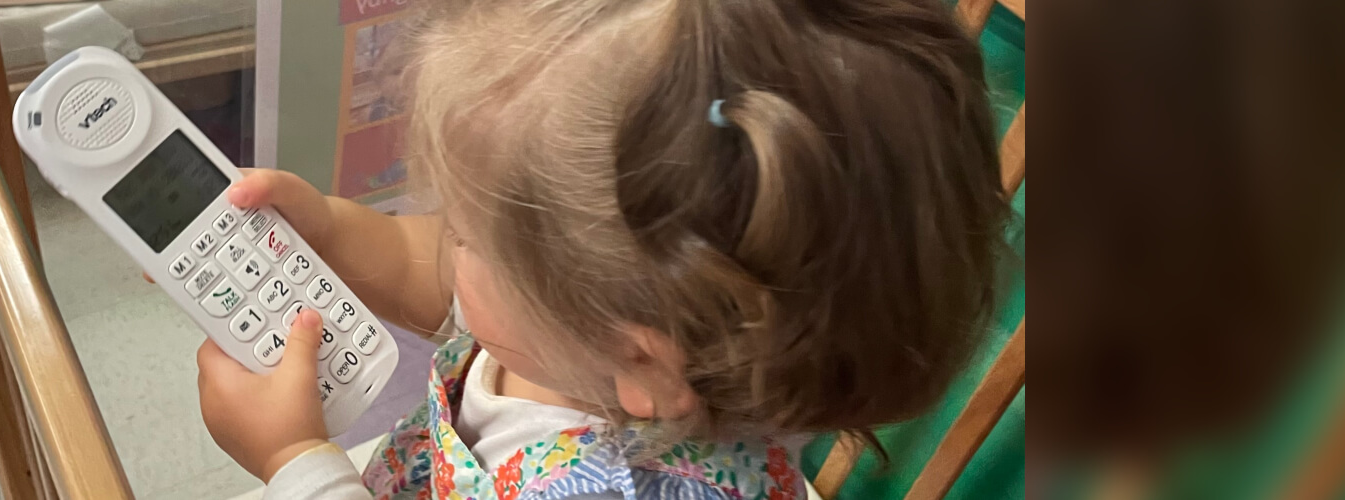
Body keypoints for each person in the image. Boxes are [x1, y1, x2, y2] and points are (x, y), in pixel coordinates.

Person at [191, 0, 1006, 497]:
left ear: (633, 363)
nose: (446, 244)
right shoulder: (593, 333)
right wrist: (330, 232)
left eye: (468, 234)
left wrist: (298, 464)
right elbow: (444, 286)